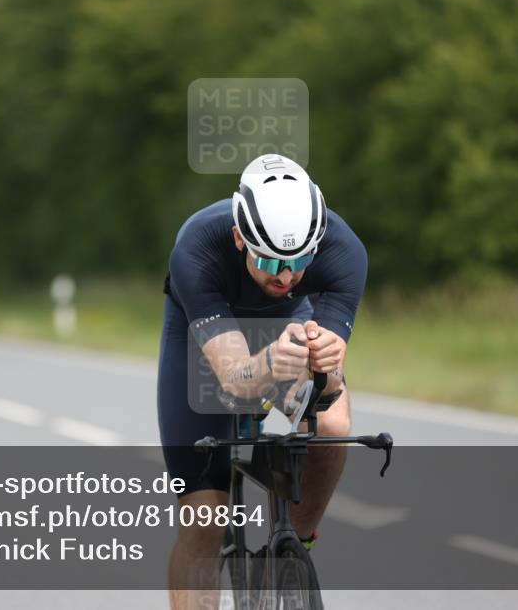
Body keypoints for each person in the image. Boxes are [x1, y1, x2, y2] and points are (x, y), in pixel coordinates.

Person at [157, 154, 367, 609]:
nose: (287, 275)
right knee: (203, 519)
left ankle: (297, 542)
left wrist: (325, 369)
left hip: (287, 328)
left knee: (331, 427)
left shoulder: (344, 250)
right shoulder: (197, 247)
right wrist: (271, 360)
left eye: (300, 260)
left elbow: (328, 391)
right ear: (239, 237)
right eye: (270, 261)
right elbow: (234, 379)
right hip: (203, 339)